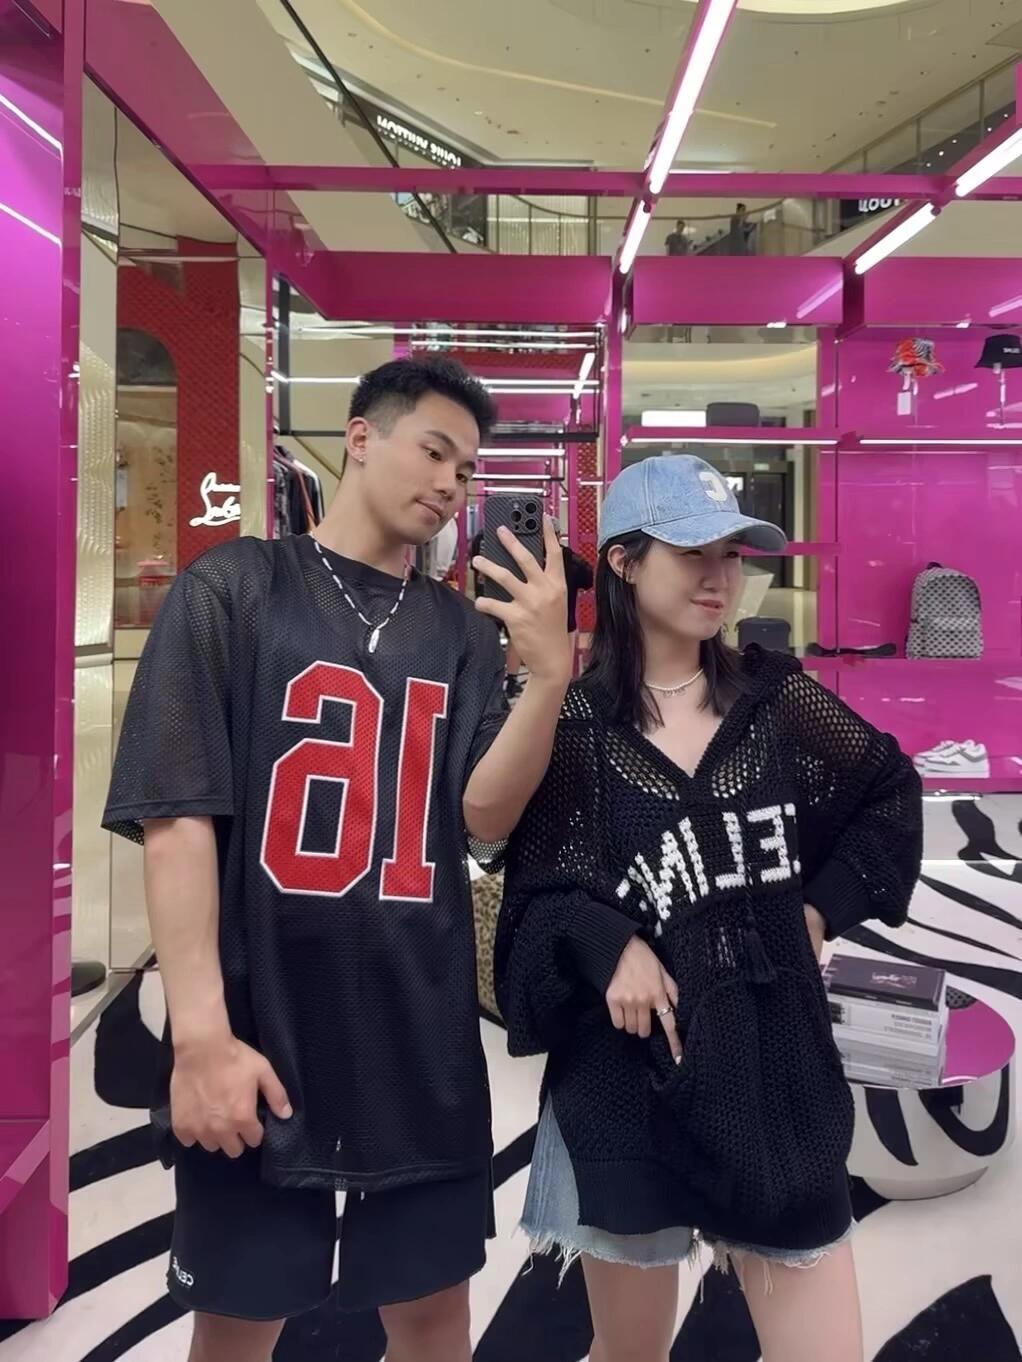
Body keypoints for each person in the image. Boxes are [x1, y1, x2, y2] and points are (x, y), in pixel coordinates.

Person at [103, 356, 572, 1362]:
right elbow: (178, 820)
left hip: (419, 1033)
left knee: (433, 1319)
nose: (449, 483)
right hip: (262, 1021)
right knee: (239, 1320)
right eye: (433, 451)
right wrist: (201, 1037)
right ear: (360, 438)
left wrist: (545, 679)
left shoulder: (457, 631)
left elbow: (481, 815)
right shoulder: (234, 589)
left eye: (466, 469)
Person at [495, 454, 922, 1362]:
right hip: (623, 1089)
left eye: (732, 553)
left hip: (775, 1073)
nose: (719, 576)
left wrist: (820, 911)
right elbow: (528, 902)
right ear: (623, 562)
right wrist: (607, 940)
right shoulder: (573, 727)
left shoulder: (775, 703)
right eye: (693, 552)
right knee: (631, 1353)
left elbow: (888, 792)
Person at [505, 519, 593, 698]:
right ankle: (560, 696)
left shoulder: (528, 558)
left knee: (535, 666)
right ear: (558, 536)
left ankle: (516, 684)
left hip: (533, 621)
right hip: (563, 623)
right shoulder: (571, 560)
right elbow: (587, 580)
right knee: (562, 667)